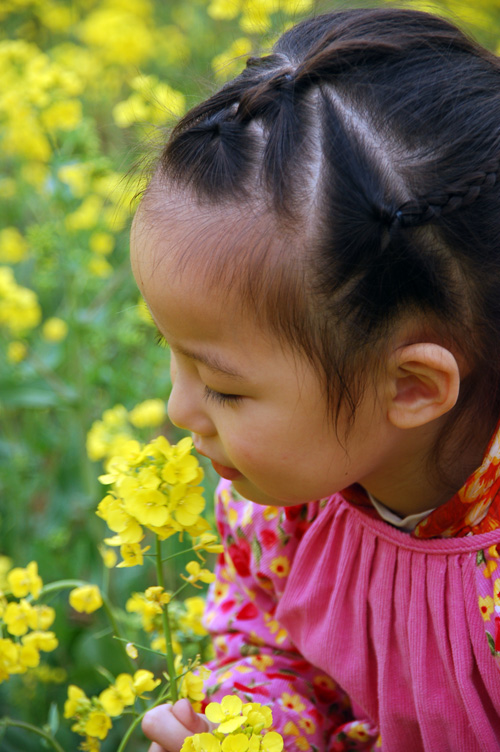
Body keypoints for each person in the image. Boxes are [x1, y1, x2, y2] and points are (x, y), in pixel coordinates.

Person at [130, 7, 500, 751]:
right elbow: (270, 652)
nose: (177, 411)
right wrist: (253, 729)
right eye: (172, 354)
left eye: (226, 389)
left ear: (413, 389)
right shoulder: (280, 506)